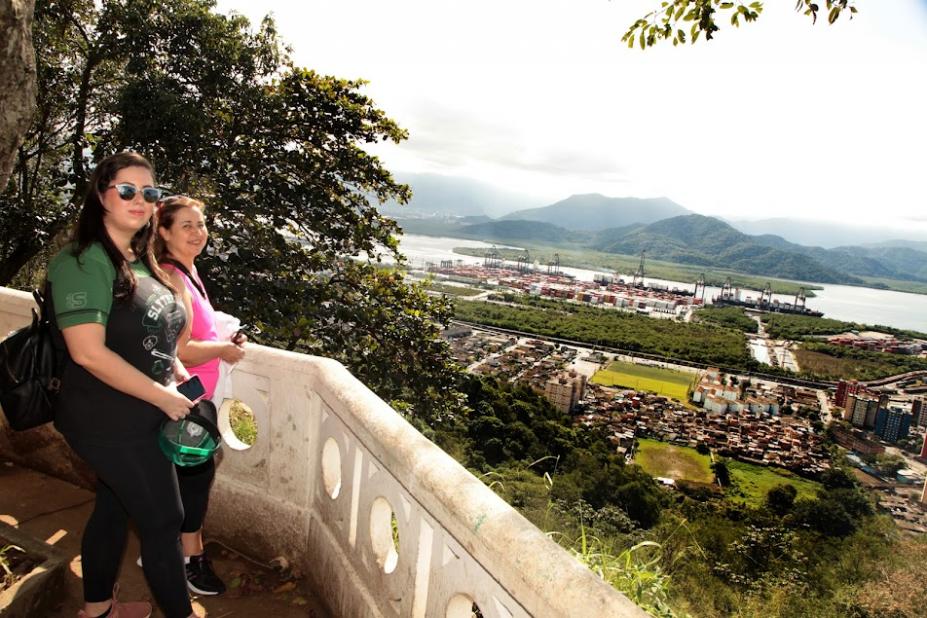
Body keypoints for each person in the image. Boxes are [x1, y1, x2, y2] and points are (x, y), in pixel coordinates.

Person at [48, 151, 197, 618]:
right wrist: (163, 398)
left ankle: (98, 611)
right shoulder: (82, 262)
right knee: (164, 520)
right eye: (126, 190)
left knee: (113, 507)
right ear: (101, 195)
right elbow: (87, 351)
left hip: (143, 408)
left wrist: (172, 368)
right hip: (107, 418)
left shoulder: (141, 259)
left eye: (149, 193)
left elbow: (149, 331)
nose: (140, 200)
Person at [154, 195, 246, 596]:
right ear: (163, 231)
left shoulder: (189, 272)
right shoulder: (173, 276)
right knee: (194, 477)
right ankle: (192, 560)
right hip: (184, 397)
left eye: (201, 224)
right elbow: (182, 348)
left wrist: (225, 337)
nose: (197, 233)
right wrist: (224, 350)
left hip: (195, 395)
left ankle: (167, 547)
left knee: (183, 477)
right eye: (186, 226)